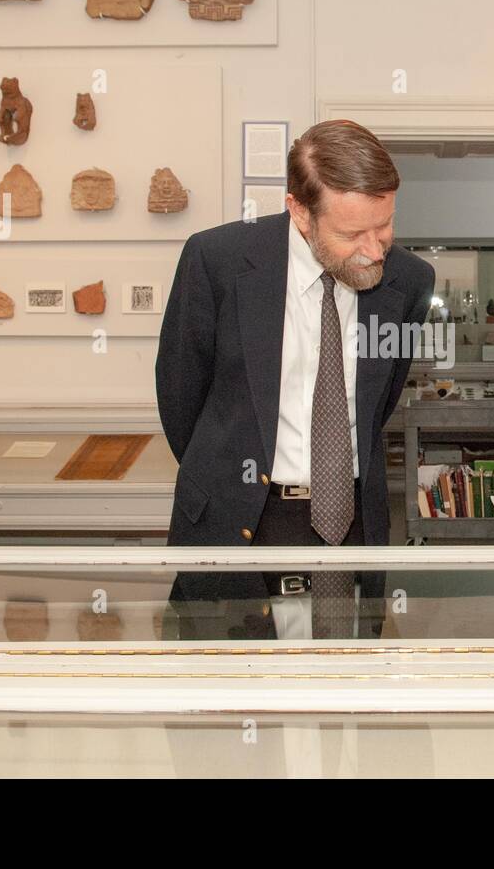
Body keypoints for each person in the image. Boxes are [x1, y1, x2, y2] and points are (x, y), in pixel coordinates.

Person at [156, 120, 435, 641]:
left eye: (385, 226)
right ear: (299, 211)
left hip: (352, 524)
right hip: (239, 518)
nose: (375, 250)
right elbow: (180, 399)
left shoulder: (409, 282)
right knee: (228, 697)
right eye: (352, 234)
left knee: (342, 704)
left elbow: (379, 404)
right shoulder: (216, 262)